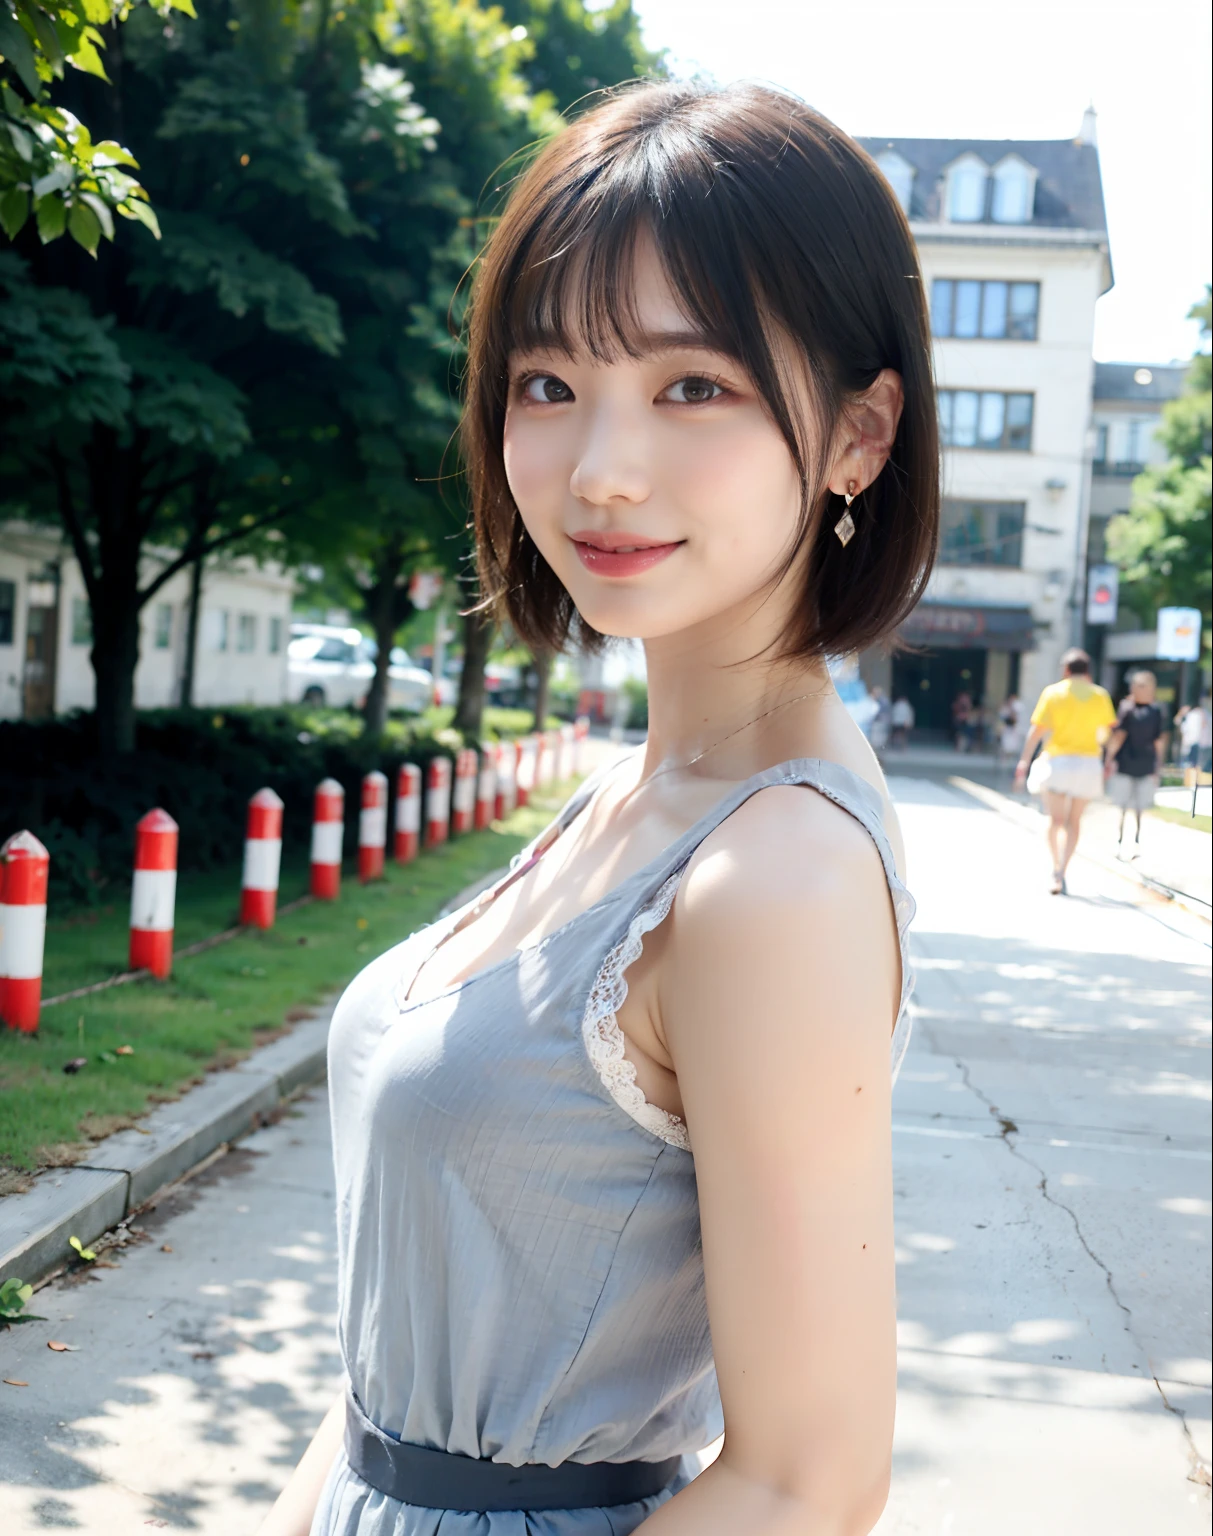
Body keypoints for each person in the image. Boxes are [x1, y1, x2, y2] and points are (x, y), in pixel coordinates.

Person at [258, 81, 939, 1536]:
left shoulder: (777, 875)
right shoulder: (636, 796)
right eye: (549, 385)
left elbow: (804, 1485)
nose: (601, 469)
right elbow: (391, 1371)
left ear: (859, 437)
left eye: (694, 387)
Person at [1015, 649, 1116, 894]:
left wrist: (1024, 761)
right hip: (1088, 764)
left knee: (1056, 820)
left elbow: (1037, 731)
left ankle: (1055, 868)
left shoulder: (1053, 692)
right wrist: (1109, 759)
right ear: (1088, 670)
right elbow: (1107, 734)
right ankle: (1064, 869)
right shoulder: (1100, 695)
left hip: (1058, 763)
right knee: (1074, 821)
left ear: (1066, 669)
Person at [1104, 670, 1167, 851]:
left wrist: (1158, 765)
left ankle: (1136, 841)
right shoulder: (1127, 707)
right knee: (1122, 805)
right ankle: (1120, 839)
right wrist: (1109, 759)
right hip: (1126, 763)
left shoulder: (1156, 710)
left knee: (1140, 806)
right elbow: (1119, 737)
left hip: (1145, 763)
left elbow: (1158, 741)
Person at [1178, 694, 1213, 789]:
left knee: (1196, 764)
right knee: (1196, 765)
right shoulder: (1199, 714)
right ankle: (1194, 782)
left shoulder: (1196, 714)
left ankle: (1194, 783)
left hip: (1198, 743)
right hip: (1199, 743)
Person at [997, 693, 1025, 765]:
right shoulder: (1005, 707)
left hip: (1014, 729)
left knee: (1013, 745)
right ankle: (1004, 759)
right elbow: (1002, 717)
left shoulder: (1018, 706)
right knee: (1005, 745)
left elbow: (1018, 718)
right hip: (1007, 728)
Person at [868, 685, 892, 752]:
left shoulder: (882, 701)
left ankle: (878, 750)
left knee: (879, 737)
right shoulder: (878, 700)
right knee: (877, 737)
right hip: (879, 721)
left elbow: (879, 711)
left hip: (880, 721)